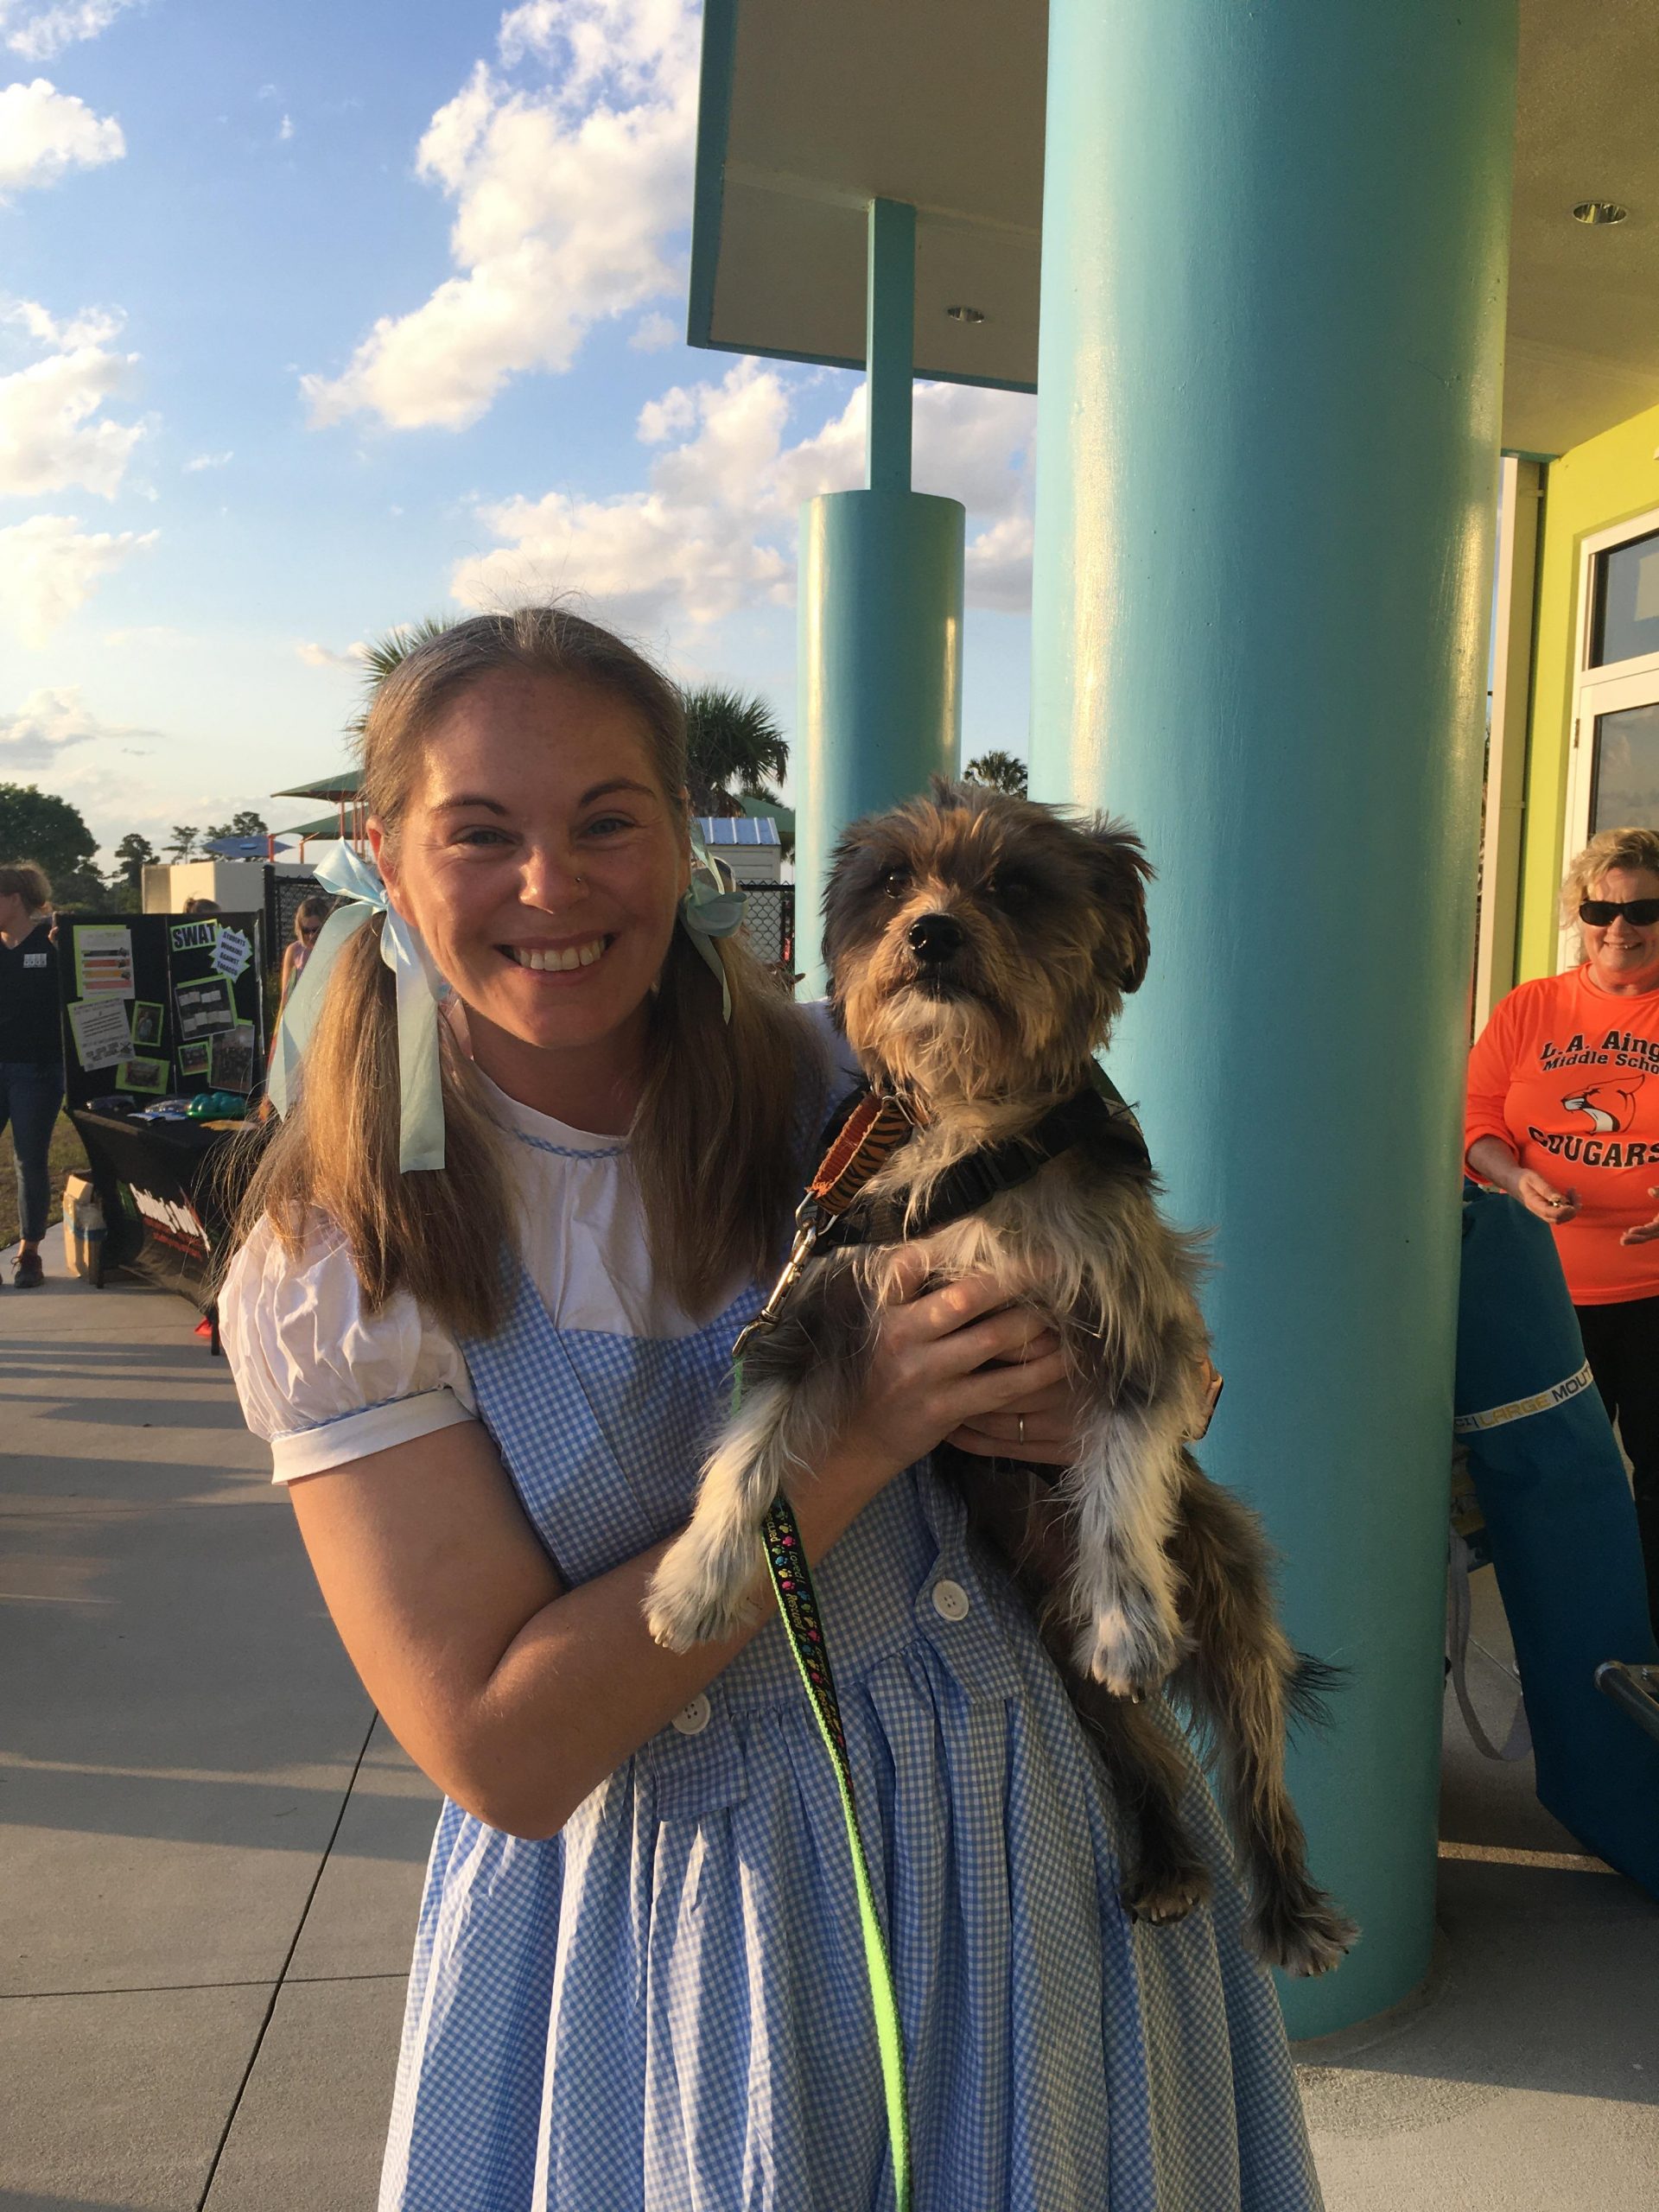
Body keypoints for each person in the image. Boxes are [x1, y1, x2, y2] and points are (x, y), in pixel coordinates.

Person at [218, 608, 1320, 2212]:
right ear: (385, 856)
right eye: (482, 834)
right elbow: (502, 1757)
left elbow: (1168, 1360)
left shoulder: (858, 1077)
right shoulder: (345, 1258)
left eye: (608, 820)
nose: (552, 884)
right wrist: (860, 1438)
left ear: (686, 839)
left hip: (1047, 1864)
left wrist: (1118, 1388)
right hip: (702, 1940)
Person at [1465, 824, 1659, 1637]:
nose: (1620, 925)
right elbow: (1473, 1120)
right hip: (1542, 1293)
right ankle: (1566, 1640)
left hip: (1652, 1294)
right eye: (1600, 907)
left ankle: (1646, 1644)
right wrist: (1512, 1177)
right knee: (1546, 1477)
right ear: (1577, 914)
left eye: (1643, 907)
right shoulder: (1531, 1007)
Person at [0, 862, 66, 1289]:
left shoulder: (53, 941)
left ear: (14, 899)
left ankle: (29, 1253)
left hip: (37, 1071)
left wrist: (71, 946)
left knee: (29, 1160)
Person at [276, 894, 330, 1014]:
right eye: (306, 931)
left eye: (316, 930)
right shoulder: (294, 951)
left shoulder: (336, 947)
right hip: (300, 1013)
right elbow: (286, 995)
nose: (311, 936)